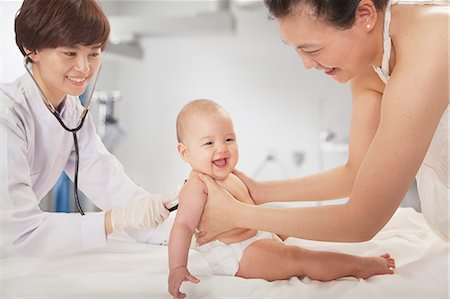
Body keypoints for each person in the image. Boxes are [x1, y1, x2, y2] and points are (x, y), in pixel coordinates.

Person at [196, 0, 449, 244]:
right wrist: (257, 192)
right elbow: (355, 174)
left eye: (312, 49)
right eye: (297, 49)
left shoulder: (432, 44)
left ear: (365, 15)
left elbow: (361, 221)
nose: (306, 64)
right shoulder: (369, 63)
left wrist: (237, 215)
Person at [168, 99, 396, 299]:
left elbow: (254, 206)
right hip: (238, 251)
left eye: (229, 139)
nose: (222, 149)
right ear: (185, 153)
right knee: (297, 257)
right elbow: (183, 226)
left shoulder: (232, 175)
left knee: (291, 220)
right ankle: (359, 266)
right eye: (209, 143)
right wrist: (177, 267)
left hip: (256, 232)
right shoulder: (197, 186)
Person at [0, 0, 176, 257]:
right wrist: (115, 220)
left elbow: (110, 184)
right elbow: (18, 230)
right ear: (31, 49)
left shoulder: (72, 114)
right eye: (70, 53)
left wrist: (179, 229)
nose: (84, 68)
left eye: (93, 53)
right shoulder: (7, 115)